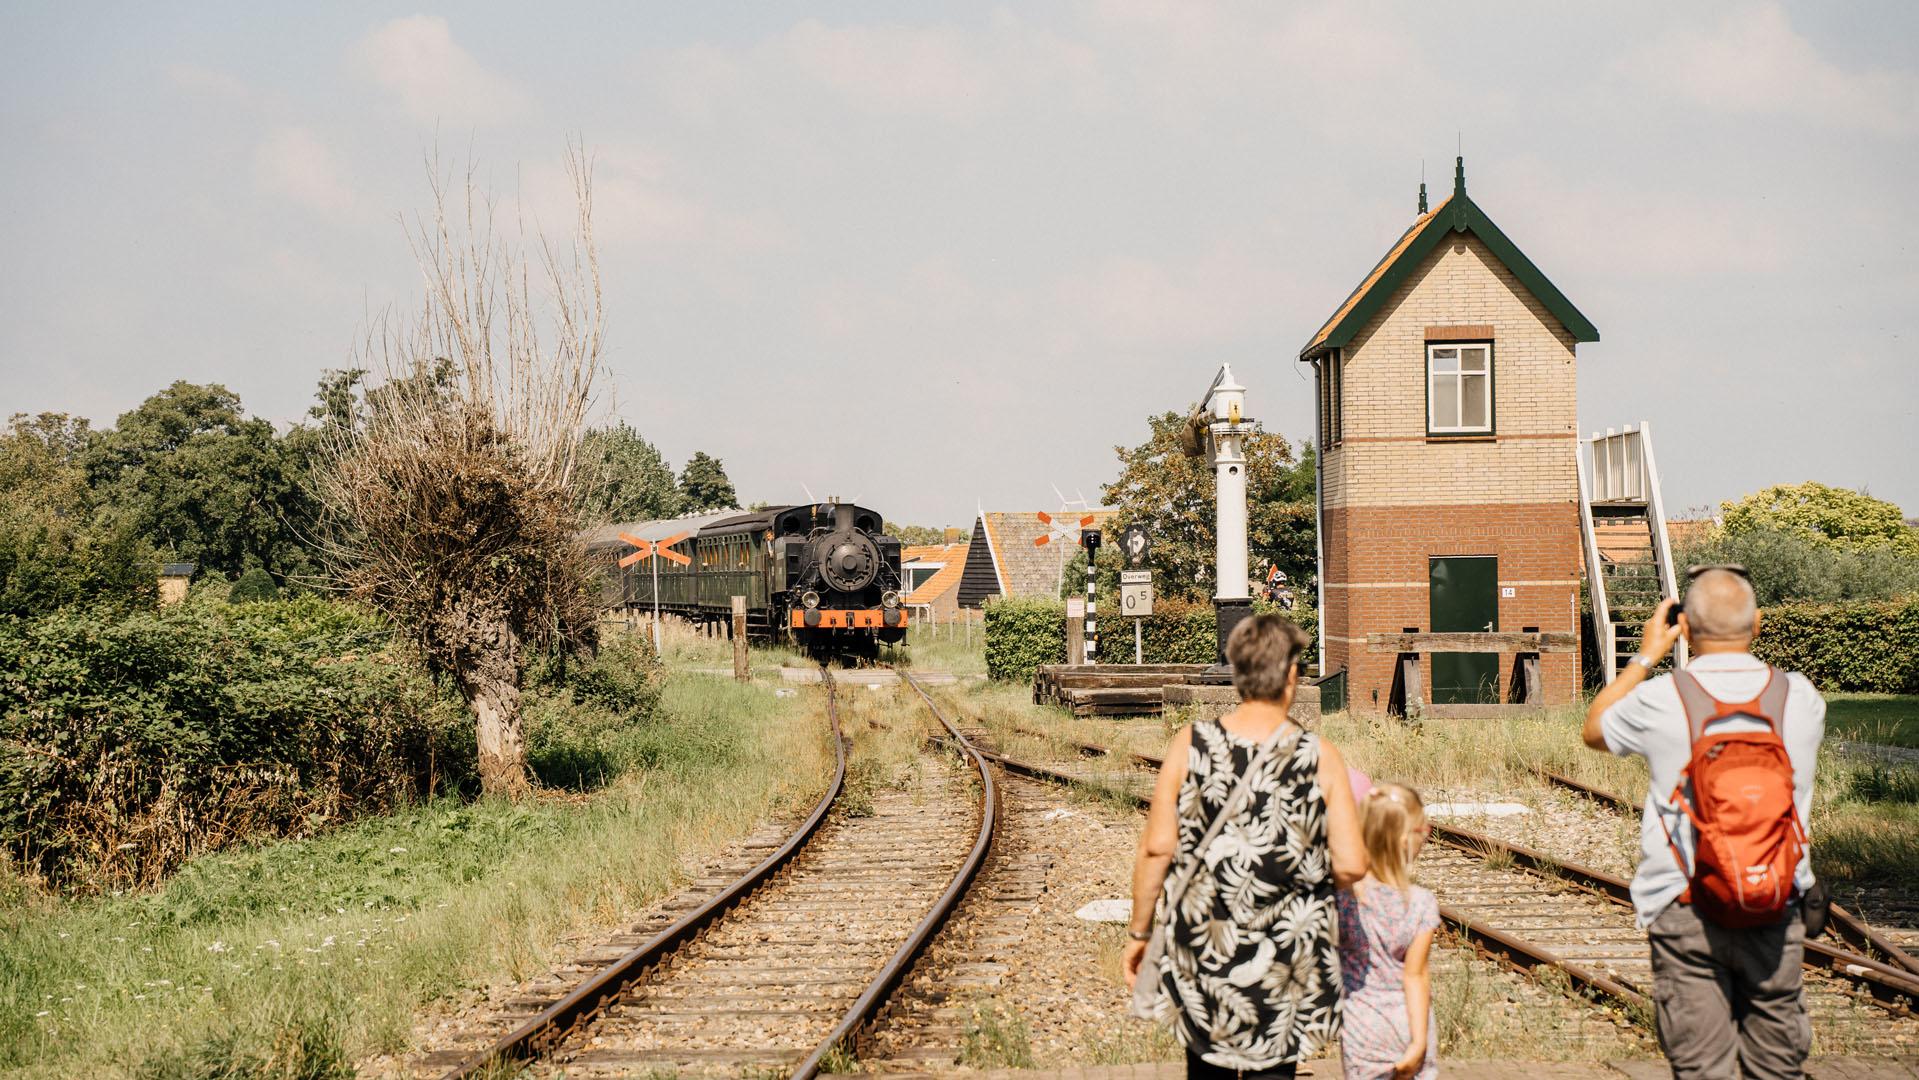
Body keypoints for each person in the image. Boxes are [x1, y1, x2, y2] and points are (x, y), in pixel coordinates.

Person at [1581, 566, 1825, 1080]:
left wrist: (1646, 655)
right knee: (1777, 1067)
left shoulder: (1660, 698)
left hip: (1683, 904)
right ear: (1757, 624)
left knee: (1701, 1070)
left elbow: (1595, 728)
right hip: (1773, 900)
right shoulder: (1801, 700)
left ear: (1685, 628)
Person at [1125, 614, 1368, 1078]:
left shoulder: (1190, 744)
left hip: (1203, 947)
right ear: (1292, 675)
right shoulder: (1318, 755)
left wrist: (1139, 934)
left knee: (1206, 1067)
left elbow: (1157, 849)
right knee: (1276, 1070)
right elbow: (1353, 864)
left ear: (1237, 673)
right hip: (1289, 955)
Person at [1337, 783, 1439, 1080]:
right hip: (1405, 1024)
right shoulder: (1421, 903)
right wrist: (1418, 1042)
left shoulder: (1344, 899)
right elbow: (1415, 975)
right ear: (1407, 839)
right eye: (1425, 830)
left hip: (1360, 1026)